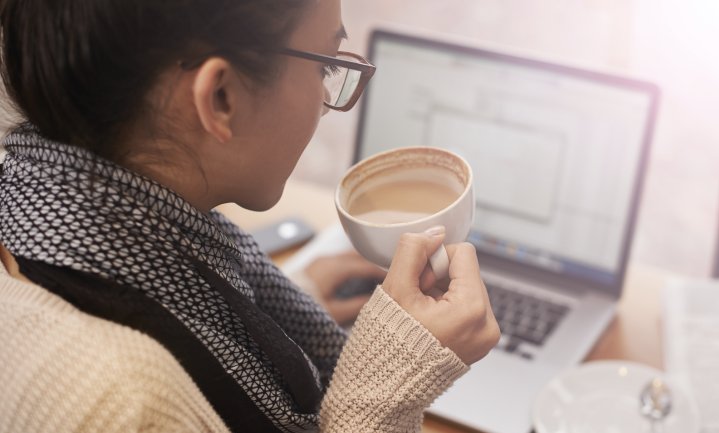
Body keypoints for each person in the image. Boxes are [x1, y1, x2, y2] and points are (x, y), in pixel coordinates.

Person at [0, 0, 500, 432]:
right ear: (220, 98)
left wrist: (286, 304)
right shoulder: (130, 402)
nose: (327, 103)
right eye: (326, 68)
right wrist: (385, 392)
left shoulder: (40, 213)